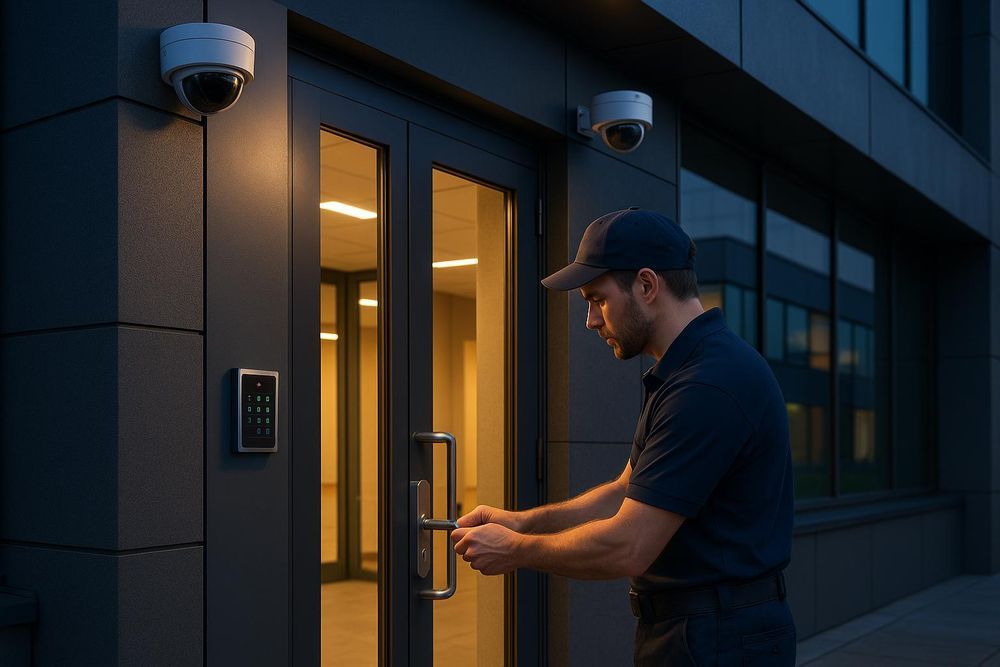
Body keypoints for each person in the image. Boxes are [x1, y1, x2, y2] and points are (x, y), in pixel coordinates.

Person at [451, 208, 796, 665]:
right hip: (696, 630)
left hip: (720, 640)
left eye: (598, 299)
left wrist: (515, 550)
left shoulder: (707, 385)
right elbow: (623, 492)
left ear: (647, 286)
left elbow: (629, 545)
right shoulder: (684, 372)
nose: (591, 320)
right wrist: (520, 522)